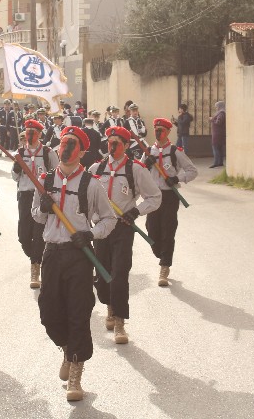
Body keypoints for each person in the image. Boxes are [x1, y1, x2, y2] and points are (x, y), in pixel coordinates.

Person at [32, 126, 116, 402]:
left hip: (79, 255)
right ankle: (67, 349)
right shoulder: (44, 180)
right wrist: (43, 208)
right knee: (48, 311)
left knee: (78, 312)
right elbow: (36, 216)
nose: (66, 149)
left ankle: (77, 371)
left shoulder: (91, 184)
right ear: (58, 149)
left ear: (81, 152)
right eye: (63, 144)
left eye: (72, 145)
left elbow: (108, 219)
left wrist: (90, 234)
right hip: (52, 253)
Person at [89, 126, 161, 345]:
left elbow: (154, 197)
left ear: (127, 146)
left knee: (120, 273)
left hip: (122, 227)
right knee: (102, 275)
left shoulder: (136, 170)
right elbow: (86, 200)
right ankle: (109, 304)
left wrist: (135, 211)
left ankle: (119, 321)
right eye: (110, 142)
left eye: (117, 142)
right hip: (101, 227)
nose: (112, 146)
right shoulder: (95, 168)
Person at [142, 118, 197, 287]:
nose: (158, 133)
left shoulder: (175, 152)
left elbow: (192, 171)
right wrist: (146, 163)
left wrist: (177, 178)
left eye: (162, 130)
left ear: (168, 132)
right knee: (151, 230)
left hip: (169, 197)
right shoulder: (148, 151)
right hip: (153, 197)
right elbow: (139, 173)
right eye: (156, 130)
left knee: (168, 231)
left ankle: (164, 266)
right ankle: (162, 255)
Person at [11, 119, 59, 288]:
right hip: (24, 195)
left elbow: (57, 173)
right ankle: (39, 258)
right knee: (24, 235)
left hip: (41, 196)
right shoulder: (19, 152)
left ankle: (35, 267)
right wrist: (17, 167)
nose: (30, 135)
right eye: (28, 132)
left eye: (33, 132)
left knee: (38, 232)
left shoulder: (47, 152)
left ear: (39, 134)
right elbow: (15, 178)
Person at [209, 101, 226, 167]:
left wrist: (212, 119)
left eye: (217, 106)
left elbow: (218, 122)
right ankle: (220, 162)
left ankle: (216, 163)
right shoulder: (222, 113)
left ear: (220, 106)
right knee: (219, 148)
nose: (216, 108)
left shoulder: (221, 113)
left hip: (217, 133)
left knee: (215, 147)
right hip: (219, 133)